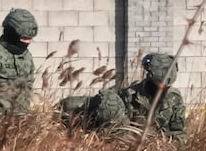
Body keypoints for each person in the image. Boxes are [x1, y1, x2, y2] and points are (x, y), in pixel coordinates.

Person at [59, 53, 187, 142]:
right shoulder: (130, 95)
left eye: (165, 86)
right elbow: (116, 125)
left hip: (153, 150)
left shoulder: (174, 99)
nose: (162, 89)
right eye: (159, 85)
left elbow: (178, 133)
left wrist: (167, 149)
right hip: (126, 145)